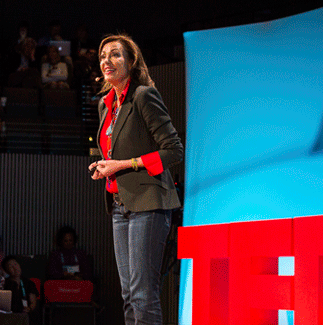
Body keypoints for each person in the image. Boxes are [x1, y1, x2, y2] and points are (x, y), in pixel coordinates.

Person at [88, 33, 183, 325]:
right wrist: (105, 167)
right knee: (128, 293)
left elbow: (173, 150)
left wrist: (123, 164)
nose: (107, 61)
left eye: (115, 55)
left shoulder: (143, 95)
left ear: (131, 61)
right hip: (119, 205)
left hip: (149, 202)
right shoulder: (106, 104)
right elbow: (116, 149)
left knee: (143, 293)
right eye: (103, 56)